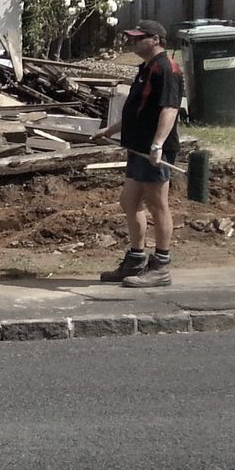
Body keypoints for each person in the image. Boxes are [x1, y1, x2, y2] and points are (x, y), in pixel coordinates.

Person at [90, 20, 185, 288]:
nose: (133, 42)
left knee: (158, 205)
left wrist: (158, 144)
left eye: (138, 38)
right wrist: (110, 130)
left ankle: (161, 267)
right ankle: (135, 260)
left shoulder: (166, 68)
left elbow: (170, 108)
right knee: (129, 203)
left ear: (155, 39)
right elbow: (136, 110)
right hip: (137, 147)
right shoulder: (146, 68)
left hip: (153, 150)